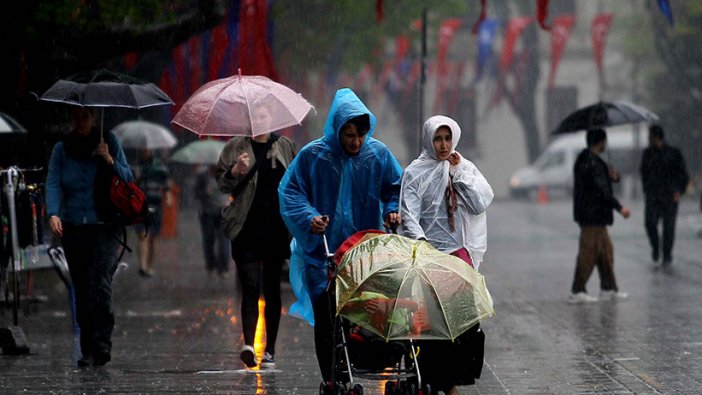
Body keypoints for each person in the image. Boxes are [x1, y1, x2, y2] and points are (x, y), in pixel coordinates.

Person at [278, 88, 402, 390]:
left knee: (366, 315)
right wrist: (310, 217)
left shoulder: (378, 155)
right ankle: (333, 378)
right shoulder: (313, 156)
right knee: (327, 318)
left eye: (360, 135)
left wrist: (391, 211)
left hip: (364, 252)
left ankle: (359, 363)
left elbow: (395, 188)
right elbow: (291, 191)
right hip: (323, 255)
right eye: (349, 135)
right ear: (337, 129)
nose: (355, 142)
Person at [399, 115, 493, 394]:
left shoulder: (462, 167)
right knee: (432, 326)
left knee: (463, 322)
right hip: (428, 256)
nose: (443, 145)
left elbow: (478, 205)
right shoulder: (414, 173)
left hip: (458, 255)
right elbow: (409, 214)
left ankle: (455, 379)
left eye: (447, 138)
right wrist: (423, 246)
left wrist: (458, 174)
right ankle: (439, 381)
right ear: (429, 139)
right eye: (438, 139)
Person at [45, 106, 133, 366]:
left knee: (100, 281)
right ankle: (87, 347)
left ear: (94, 117)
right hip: (74, 227)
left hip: (105, 226)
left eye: (86, 116)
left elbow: (128, 177)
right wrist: (53, 212)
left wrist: (109, 160)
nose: (81, 121)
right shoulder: (62, 149)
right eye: (76, 116)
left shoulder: (110, 141)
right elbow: (53, 181)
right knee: (81, 286)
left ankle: (103, 341)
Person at [215, 104, 296, 369]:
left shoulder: (284, 146)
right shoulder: (235, 147)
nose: (258, 121)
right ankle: (249, 344)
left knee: (272, 289)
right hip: (245, 228)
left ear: (271, 118)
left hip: (275, 229)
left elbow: (297, 180)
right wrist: (234, 172)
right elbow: (221, 183)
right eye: (253, 116)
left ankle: (270, 349)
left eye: (263, 115)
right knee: (250, 286)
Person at [569, 128, 631, 304]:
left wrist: (614, 177)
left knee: (605, 252)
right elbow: (601, 190)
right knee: (587, 254)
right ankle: (577, 290)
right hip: (591, 216)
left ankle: (608, 288)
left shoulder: (590, 161)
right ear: (599, 142)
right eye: (604, 141)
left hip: (595, 216)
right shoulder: (590, 162)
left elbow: (604, 182)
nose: (606, 144)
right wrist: (620, 208)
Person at [639, 124, 689, 266]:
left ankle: (667, 255)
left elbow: (683, 174)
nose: (648, 138)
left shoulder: (673, 153)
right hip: (653, 195)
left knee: (669, 227)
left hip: (670, 195)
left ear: (655, 137)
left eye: (650, 135)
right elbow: (643, 173)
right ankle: (656, 246)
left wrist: (679, 190)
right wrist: (646, 189)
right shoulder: (647, 154)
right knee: (650, 224)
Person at [133, 147, 171, 277]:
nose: (145, 151)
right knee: (143, 236)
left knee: (152, 238)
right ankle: (143, 266)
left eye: (147, 149)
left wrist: (168, 197)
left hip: (155, 206)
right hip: (140, 206)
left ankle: (149, 265)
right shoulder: (136, 167)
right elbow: (131, 185)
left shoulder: (159, 167)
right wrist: (137, 177)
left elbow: (165, 184)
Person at [194, 164, 230, 277]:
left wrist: (230, 201)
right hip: (207, 212)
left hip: (223, 212)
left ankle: (223, 267)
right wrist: (205, 192)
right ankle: (210, 264)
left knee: (224, 241)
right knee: (208, 240)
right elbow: (196, 193)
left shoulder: (228, 174)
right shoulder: (202, 175)